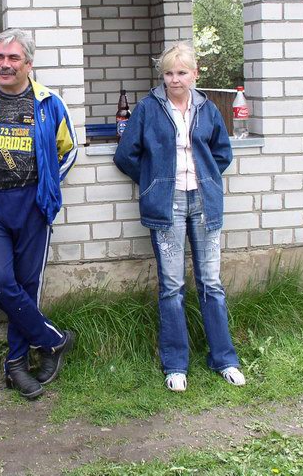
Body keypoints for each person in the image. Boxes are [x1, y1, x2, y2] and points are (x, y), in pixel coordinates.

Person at [114, 42, 246, 392]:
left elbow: (222, 153)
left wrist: (206, 178)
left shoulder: (208, 108)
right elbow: (125, 155)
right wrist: (154, 180)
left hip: (205, 203)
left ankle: (224, 359)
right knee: (172, 286)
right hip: (166, 205)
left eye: (182, 73)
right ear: (163, 76)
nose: (175, 79)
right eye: (169, 73)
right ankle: (175, 364)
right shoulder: (148, 108)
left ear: (195, 74)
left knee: (211, 283)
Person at [0, 28, 78, 399]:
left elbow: (68, 150)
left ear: (28, 64)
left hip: (33, 205)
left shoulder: (49, 103)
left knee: (26, 286)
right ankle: (53, 340)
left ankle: (16, 364)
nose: (4, 65)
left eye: (13, 58)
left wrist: (47, 184)